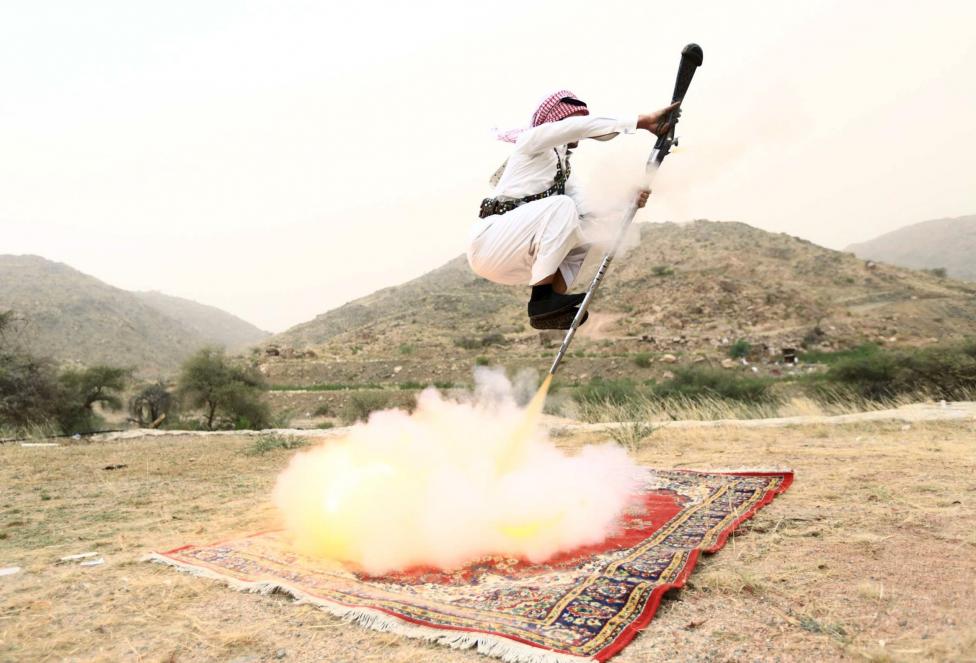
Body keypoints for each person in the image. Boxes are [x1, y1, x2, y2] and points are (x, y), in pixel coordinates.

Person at [466, 90, 680, 329]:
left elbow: (590, 209)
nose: (578, 125)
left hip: (513, 259)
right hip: (489, 243)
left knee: (587, 231)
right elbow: (581, 128)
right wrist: (640, 122)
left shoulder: (564, 170)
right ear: (555, 122)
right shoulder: (531, 142)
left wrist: (627, 201)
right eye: (572, 121)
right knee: (562, 207)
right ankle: (542, 301)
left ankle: (548, 308)